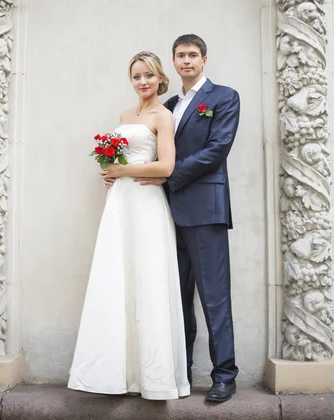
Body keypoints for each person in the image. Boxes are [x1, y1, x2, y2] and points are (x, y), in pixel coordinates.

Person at [68, 52, 190, 400]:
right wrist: (109, 171)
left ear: (159, 78)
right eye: (136, 76)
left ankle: (153, 378)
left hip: (146, 203)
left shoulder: (162, 117)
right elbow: (118, 159)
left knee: (147, 276)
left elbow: (166, 166)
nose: (142, 82)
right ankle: (117, 373)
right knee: (117, 276)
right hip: (120, 201)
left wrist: (122, 170)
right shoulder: (125, 115)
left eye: (148, 75)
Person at [134, 34, 240, 403]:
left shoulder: (224, 97)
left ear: (204, 59)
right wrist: (119, 170)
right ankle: (180, 374)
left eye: (193, 55)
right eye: (180, 55)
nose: (187, 61)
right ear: (174, 62)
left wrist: (169, 175)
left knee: (214, 298)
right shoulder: (168, 104)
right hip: (165, 213)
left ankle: (225, 376)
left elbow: (216, 150)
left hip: (205, 211)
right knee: (174, 299)